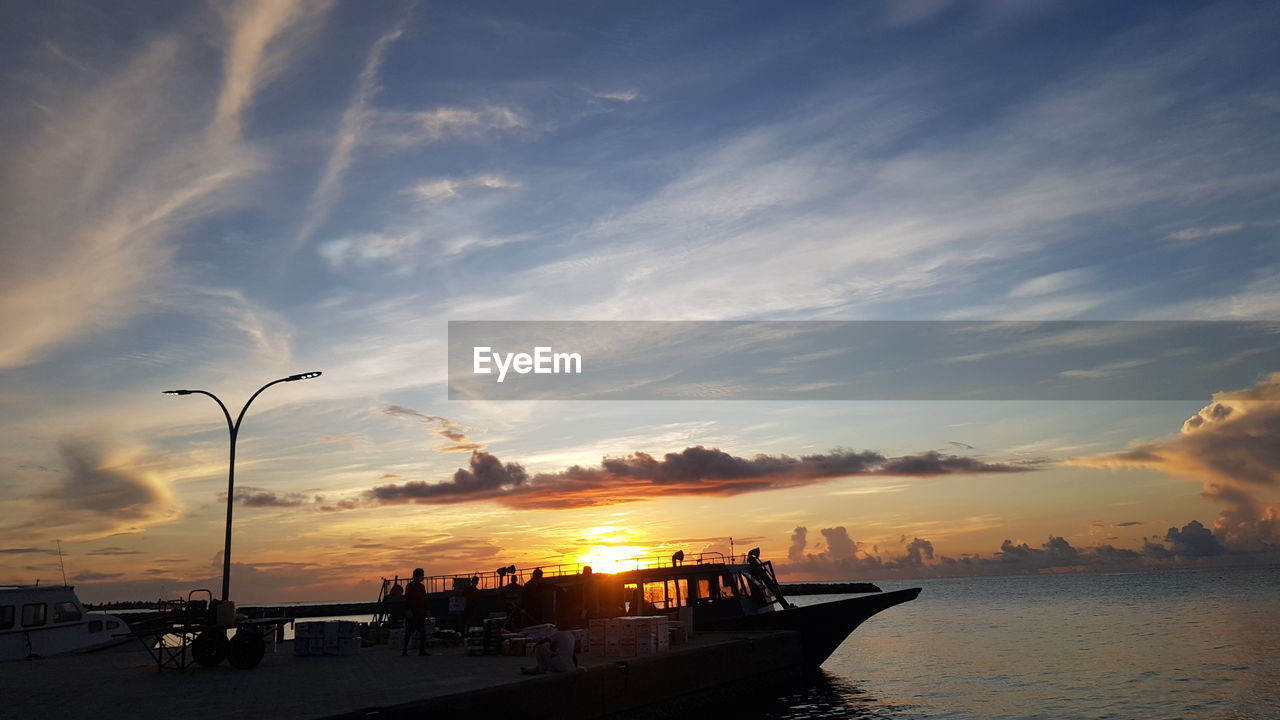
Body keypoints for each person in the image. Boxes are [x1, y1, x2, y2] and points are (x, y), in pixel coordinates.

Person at [402, 568, 431, 657]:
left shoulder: (422, 587)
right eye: (421, 575)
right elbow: (407, 599)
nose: (422, 577)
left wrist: (427, 609)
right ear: (416, 576)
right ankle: (405, 650)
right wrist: (408, 610)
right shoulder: (409, 586)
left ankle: (422, 650)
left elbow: (424, 599)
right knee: (409, 631)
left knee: (422, 631)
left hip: (421, 612)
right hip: (412, 612)